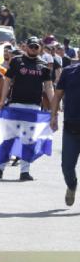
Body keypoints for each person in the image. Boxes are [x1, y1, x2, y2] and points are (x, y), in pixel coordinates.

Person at [0, 36, 54, 181]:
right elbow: (7, 81)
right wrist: (1, 100)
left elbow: (49, 86)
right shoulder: (17, 61)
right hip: (15, 105)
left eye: (36, 47)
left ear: (40, 48)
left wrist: (54, 104)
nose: (33, 49)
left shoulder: (44, 65)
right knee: (7, 139)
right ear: (26, 47)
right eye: (31, 46)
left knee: (28, 140)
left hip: (34, 107)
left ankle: (24, 172)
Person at [52, 55, 80, 205]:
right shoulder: (68, 72)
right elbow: (57, 95)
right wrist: (53, 116)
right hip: (71, 128)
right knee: (67, 167)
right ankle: (72, 185)